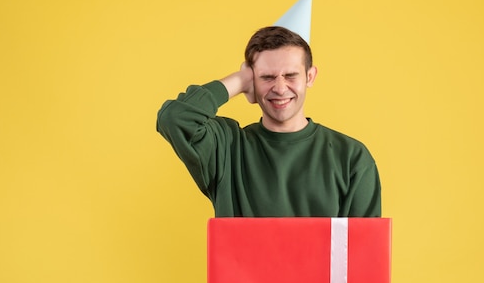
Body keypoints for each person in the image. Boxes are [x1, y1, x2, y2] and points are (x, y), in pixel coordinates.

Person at [156, 26, 381, 217]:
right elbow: (174, 118)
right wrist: (239, 79)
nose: (280, 88)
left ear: (310, 76)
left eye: (291, 75)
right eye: (267, 77)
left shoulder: (352, 157)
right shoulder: (227, 148)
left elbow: (365, 254)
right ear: (252, 80)